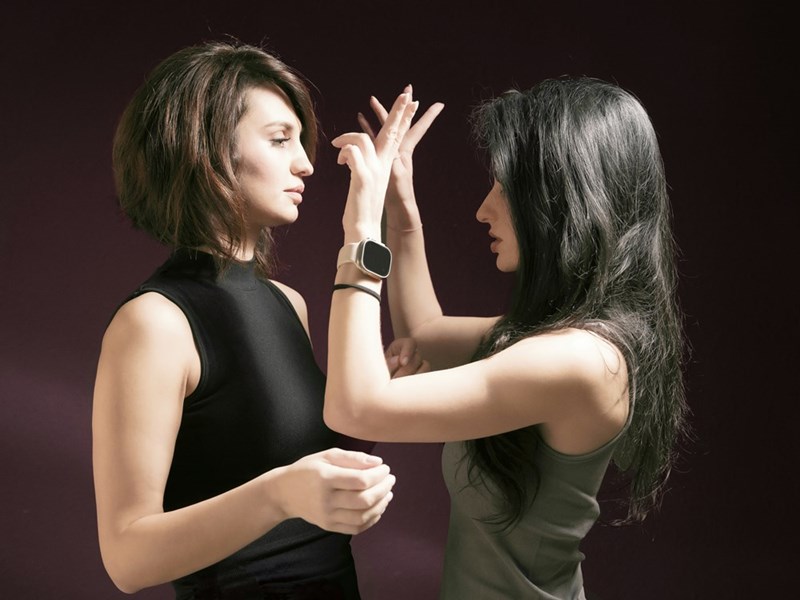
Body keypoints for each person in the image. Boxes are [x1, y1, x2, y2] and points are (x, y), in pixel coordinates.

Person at [324, 79, 688, 598]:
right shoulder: (561, 340)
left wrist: (361, 231)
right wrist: (398, 203)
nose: (483, 209)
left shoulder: (580, 361)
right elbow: (424, 335)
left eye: (503, 185)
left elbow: (354, 407)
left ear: (560, 196)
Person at [92, 41, 419, 599]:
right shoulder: (154, 323)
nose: (307, 163)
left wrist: (378, 396)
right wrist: (280, 494)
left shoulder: (288, 303)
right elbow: (127, 556)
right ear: (209, 151)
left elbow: (279, 455)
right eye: (278, 140)